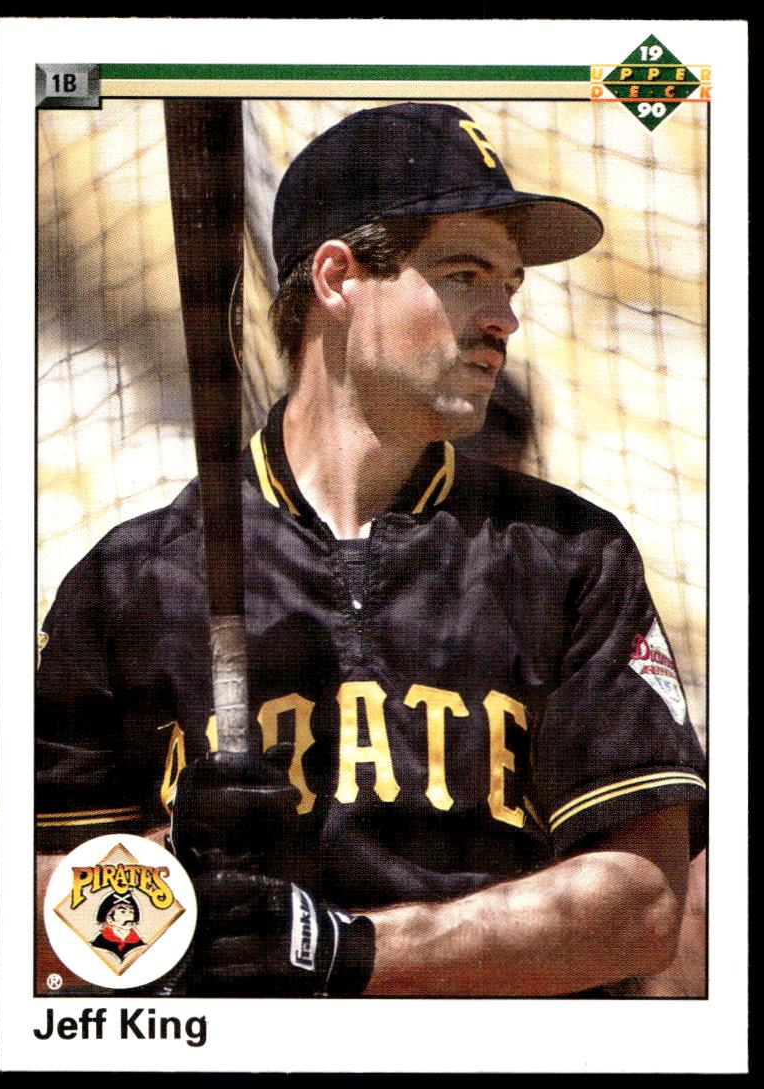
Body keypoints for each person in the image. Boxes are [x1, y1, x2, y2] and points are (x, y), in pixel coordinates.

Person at [37, 102, 707, 997]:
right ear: (336, 278)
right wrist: (166, 874)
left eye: (510, 285)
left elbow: (642, 907)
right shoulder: (133, 579)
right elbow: (35, 923)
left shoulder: (568, 556)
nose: (504, 318)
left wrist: (344, 949)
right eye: (466, 276)